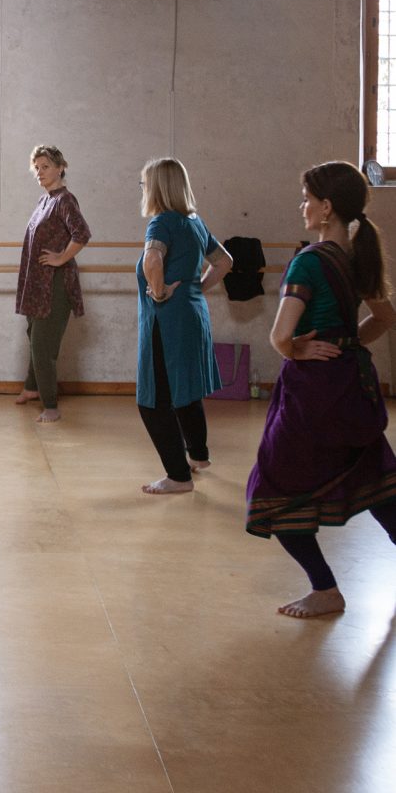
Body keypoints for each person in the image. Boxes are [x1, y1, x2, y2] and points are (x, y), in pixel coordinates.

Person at [246, 161, 396, 618]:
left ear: (326, 208)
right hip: (355, 386)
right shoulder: (359, 255)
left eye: (308, 198)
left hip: (314, 396)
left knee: (270, 488)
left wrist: (299, 351)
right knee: (379, 483)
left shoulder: (309, 261)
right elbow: (386, 318)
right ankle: (325, 590)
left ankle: (325, 589)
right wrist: (347, 344)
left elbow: (279, 336)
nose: (302, 205)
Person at [135, 157, 232, 495]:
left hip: (169, 320)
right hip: (193, 314)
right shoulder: (194, 221)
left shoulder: (161, 223)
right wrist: (196, 287)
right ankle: (200, 458)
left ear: (158, 187)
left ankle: (179, 476)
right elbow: (224, 262)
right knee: (185, 391)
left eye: (145, 183)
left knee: (152, 400)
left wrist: (159, 292)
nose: (143, 190)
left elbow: (152, 259)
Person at [14, 145, 92, 422]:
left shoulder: (65, 200)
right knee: (33, 335)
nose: (40, 172)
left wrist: (61, 258)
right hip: (38, 284)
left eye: (45, 166)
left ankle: (51, 407)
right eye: (36, 168)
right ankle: (32, 388)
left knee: (42, 344)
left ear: (60, 167)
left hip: (56, 284)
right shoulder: (45, 200)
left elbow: (81, 233)